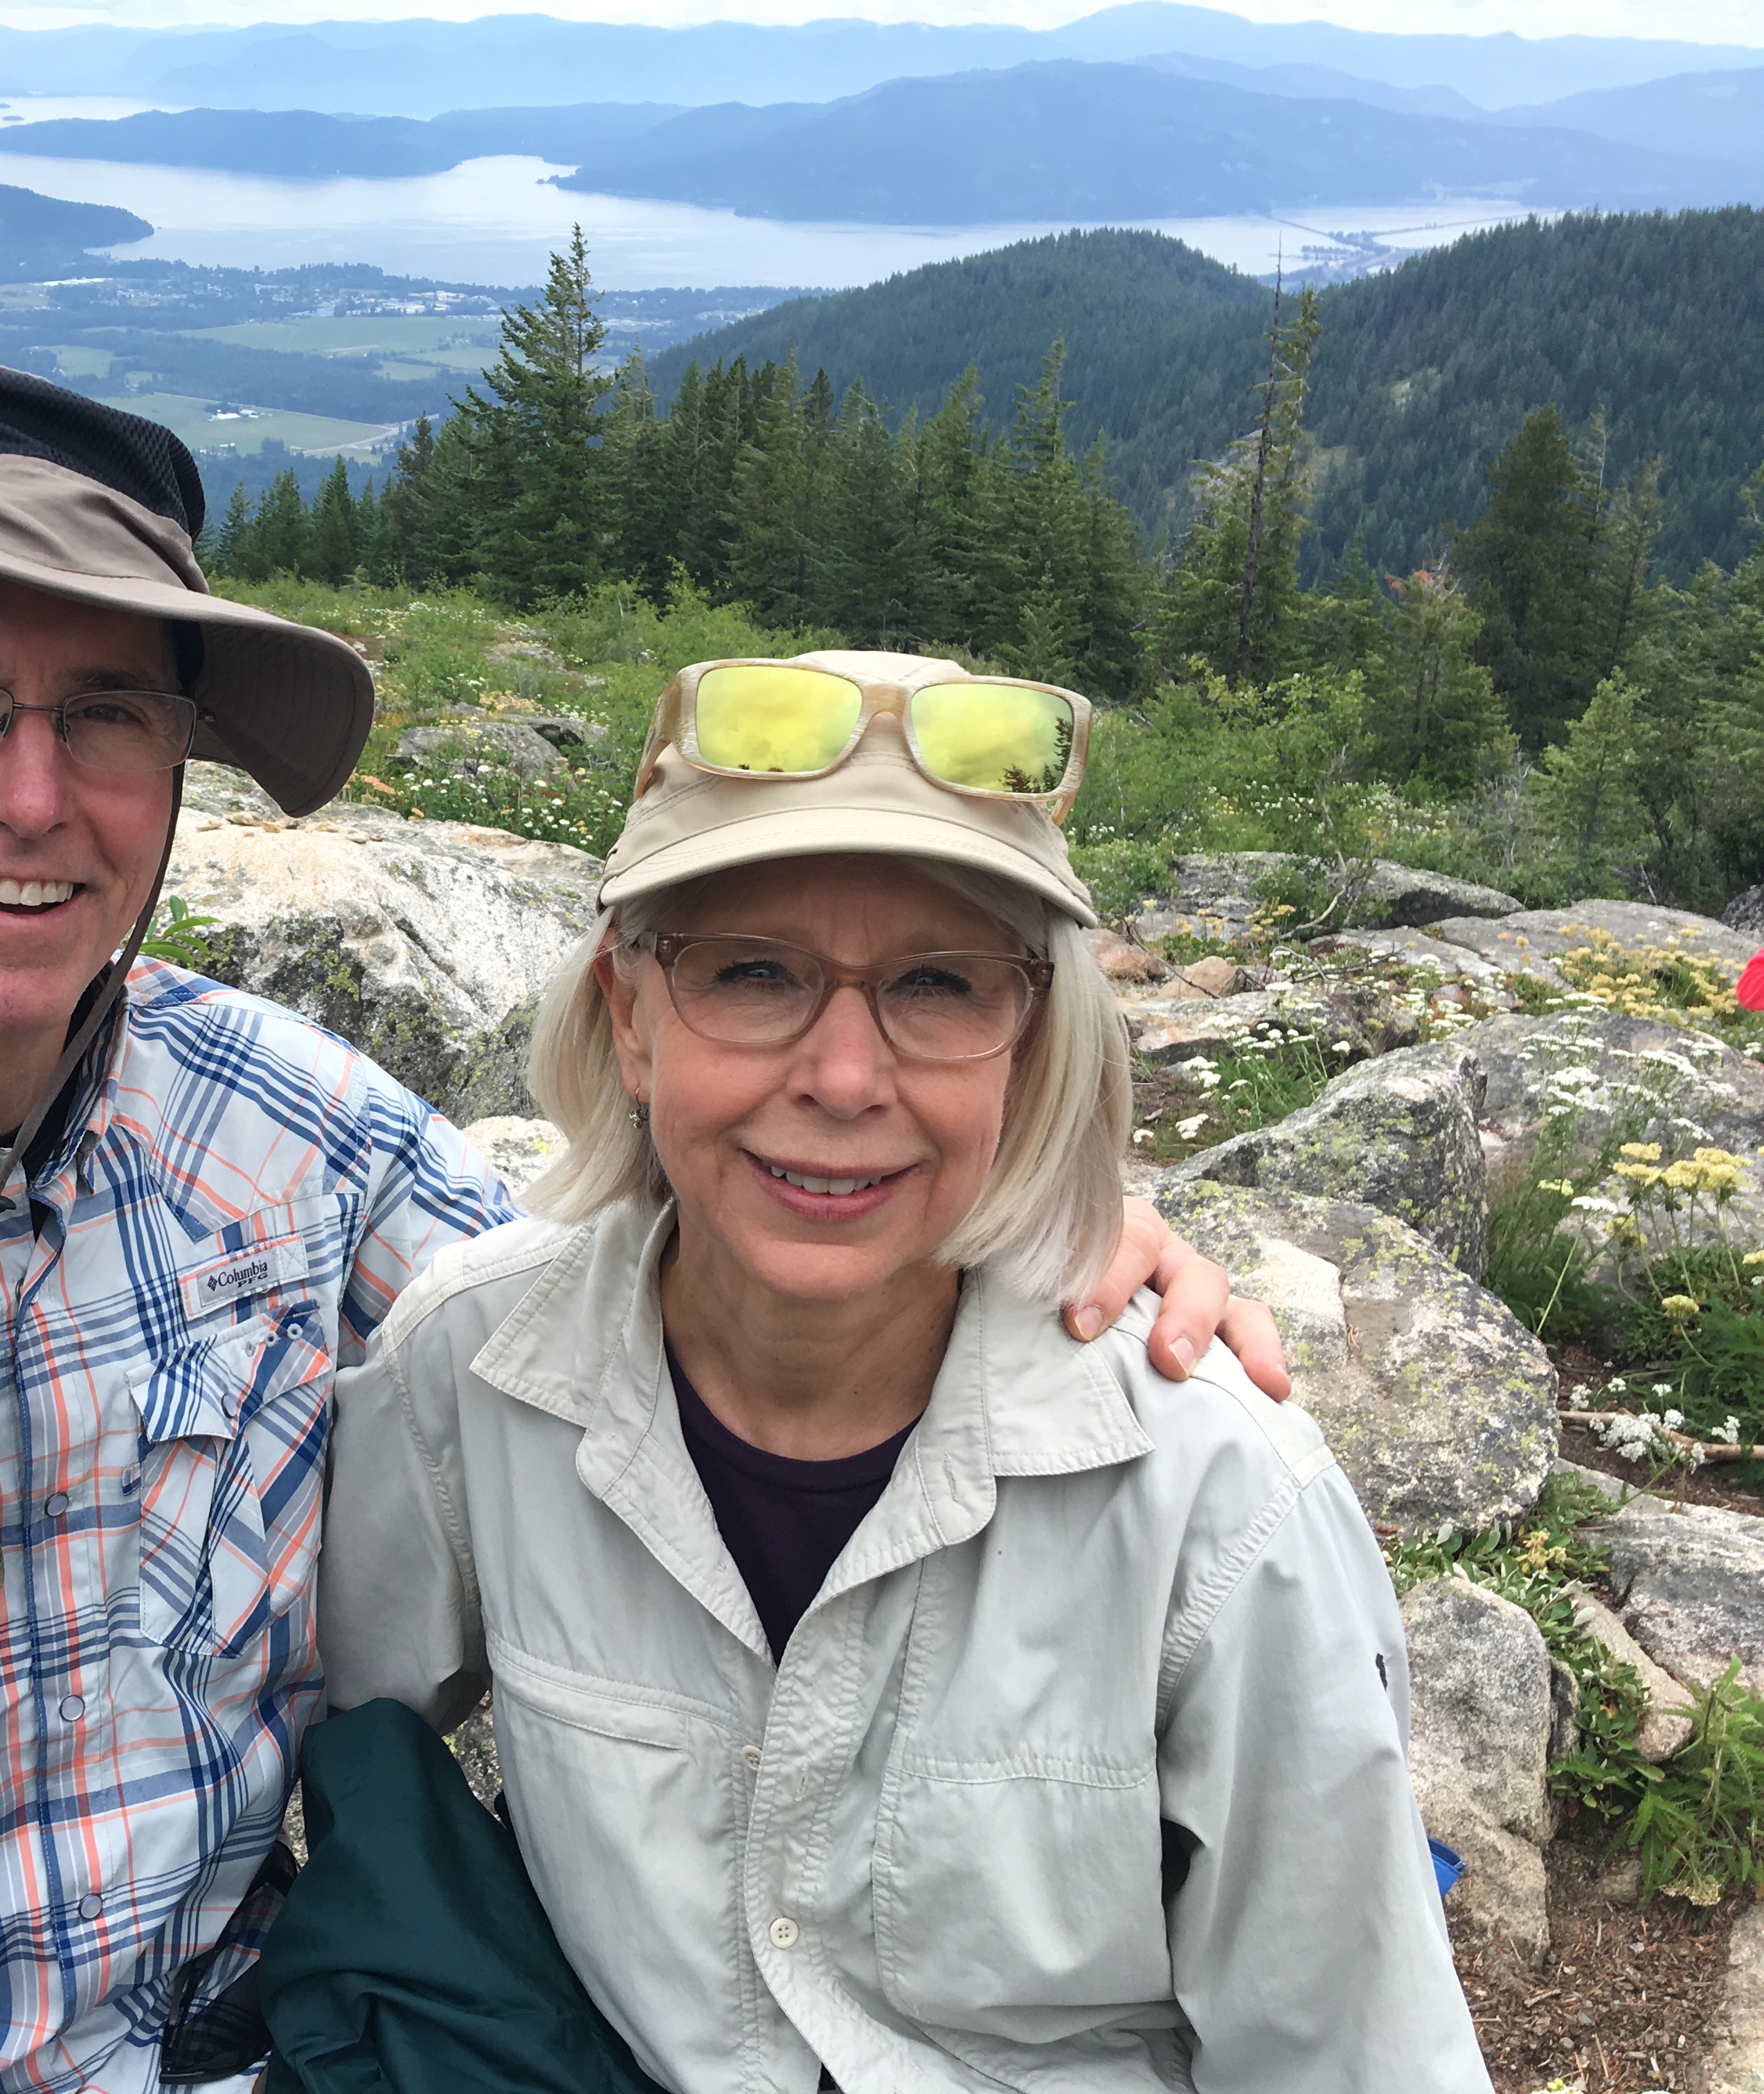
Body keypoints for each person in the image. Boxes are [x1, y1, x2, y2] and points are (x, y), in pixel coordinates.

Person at [0, 369, 1286, 2094]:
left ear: (178, 773)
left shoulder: (287, 1129)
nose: (33, 795)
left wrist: (1030, 1201)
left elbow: (652, 1286)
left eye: (107, 716)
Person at [314, 652, 1487, 2092]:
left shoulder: (1218, 1502)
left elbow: (1352, 2056)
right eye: (755, 973)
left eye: (940, 984)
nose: (849, 1078)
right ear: (629, 1016)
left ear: (1031, 1045)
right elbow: (292, 1731)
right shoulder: (475, 1375)